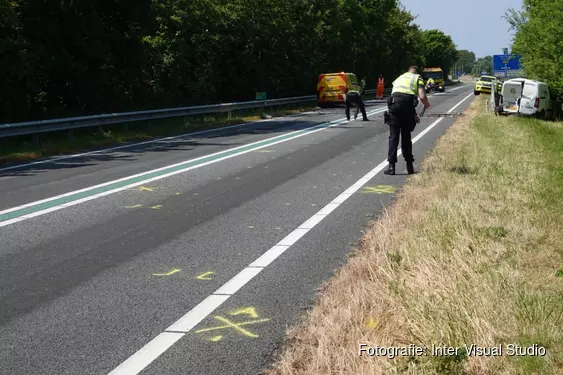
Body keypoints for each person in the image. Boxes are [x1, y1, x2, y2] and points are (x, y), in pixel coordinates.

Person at [383, 66, 430, 175]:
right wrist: (426, 104)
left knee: (393, 136)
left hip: (394, 106)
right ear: (416, 72)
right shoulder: (417, 78)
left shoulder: (400, 78)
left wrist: (412, 113)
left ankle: (391, 167)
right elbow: (421, 96)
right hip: (407, 107)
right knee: (406, 136)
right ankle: (409, 166)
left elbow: (397, 97)